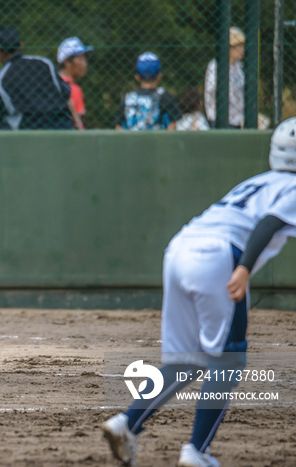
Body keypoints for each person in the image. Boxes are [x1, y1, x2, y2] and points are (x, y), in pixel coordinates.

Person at [101, 117, 296, 467]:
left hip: (179, 249)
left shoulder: (259, 181)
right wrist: (244, 268)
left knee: (185, 362)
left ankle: (126, 423)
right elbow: (269, 224)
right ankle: (196, 452)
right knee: (229, 359)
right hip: (218, 257)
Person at [0, 27, 77, 131]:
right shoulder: (44, 63)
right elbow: (66, 94)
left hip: (31, 139)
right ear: (20, 45)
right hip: (63, 130)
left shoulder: (3, 77)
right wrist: (77, 123)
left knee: (0, 125)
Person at [115, 52, 181, 131]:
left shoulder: (127, 99)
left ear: (137, 76)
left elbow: (119, 127)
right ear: (159, 75)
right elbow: (172, 127)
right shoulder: (165, 97)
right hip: (157, 142)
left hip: (131, 142)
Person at [205, 27, 245, 129]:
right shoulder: (216, 65)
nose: (242, 49)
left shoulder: (238, 67)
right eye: (238, 45)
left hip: (238, 120)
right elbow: (214, 90)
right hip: (222, 120)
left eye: (242, 45)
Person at [57, 37, 93, 128]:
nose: (85, 63)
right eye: (80, 59)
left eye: (85, 59)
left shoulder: (50, 82)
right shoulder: (74, 88)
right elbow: (78, 123)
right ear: (67, 62)